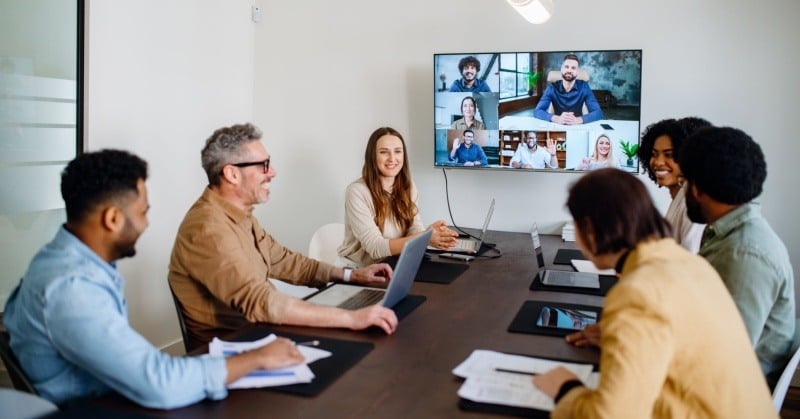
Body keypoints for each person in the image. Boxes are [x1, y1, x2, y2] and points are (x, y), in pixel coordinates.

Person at [3, 150, 305, 409]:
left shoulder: (59, 258)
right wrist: (255, 358)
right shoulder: (72, 287)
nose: (147, 223)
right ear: (112, 219)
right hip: (96, 407)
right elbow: (158, 381)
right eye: (143, 212)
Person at [532, 168, 775, 418]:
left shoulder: (637, 292)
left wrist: (565, 388)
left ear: (590, 229)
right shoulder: (689, 264)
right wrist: (623, 339)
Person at [169, 123, 399, 348]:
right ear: (232, 174)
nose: (272, 173)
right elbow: (261, 301)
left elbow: (289, 262)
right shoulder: (208, 229)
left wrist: (351, 276)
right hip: (236, 350)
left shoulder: (241, 217)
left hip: (263, 333)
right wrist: (352, 318)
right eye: (263, 165)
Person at [680, 126, 795, 385]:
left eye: (684, 181)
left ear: (696, 188)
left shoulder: (744, 255)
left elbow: (720, 361)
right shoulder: (728, 235)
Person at [338, 127, 458, 267]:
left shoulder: (408, 185)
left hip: (393, 263)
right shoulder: (356, 191)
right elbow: (375, 248)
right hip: (358, 269)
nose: (392, 158)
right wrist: (425, 238)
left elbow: (414, 228)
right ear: (372, 156)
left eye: (398, 151)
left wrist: (428, 233)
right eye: (384, 152)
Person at [637, 117, 710, 253]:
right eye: (654, 154)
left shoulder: (693, 202)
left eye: (669, 155)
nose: (658, 162)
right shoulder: (679, 197)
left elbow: (689, 259)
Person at [533, 54, 603, 125]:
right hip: (558, 125)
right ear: (561, 69)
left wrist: (579, 120)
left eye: (573, 68)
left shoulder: (584, 87)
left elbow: (598, 112)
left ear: (577, 72)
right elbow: (537, 111)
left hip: (577, 126)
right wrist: (556, 118)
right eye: (566, 67)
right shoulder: (552, 88)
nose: (569, 70)